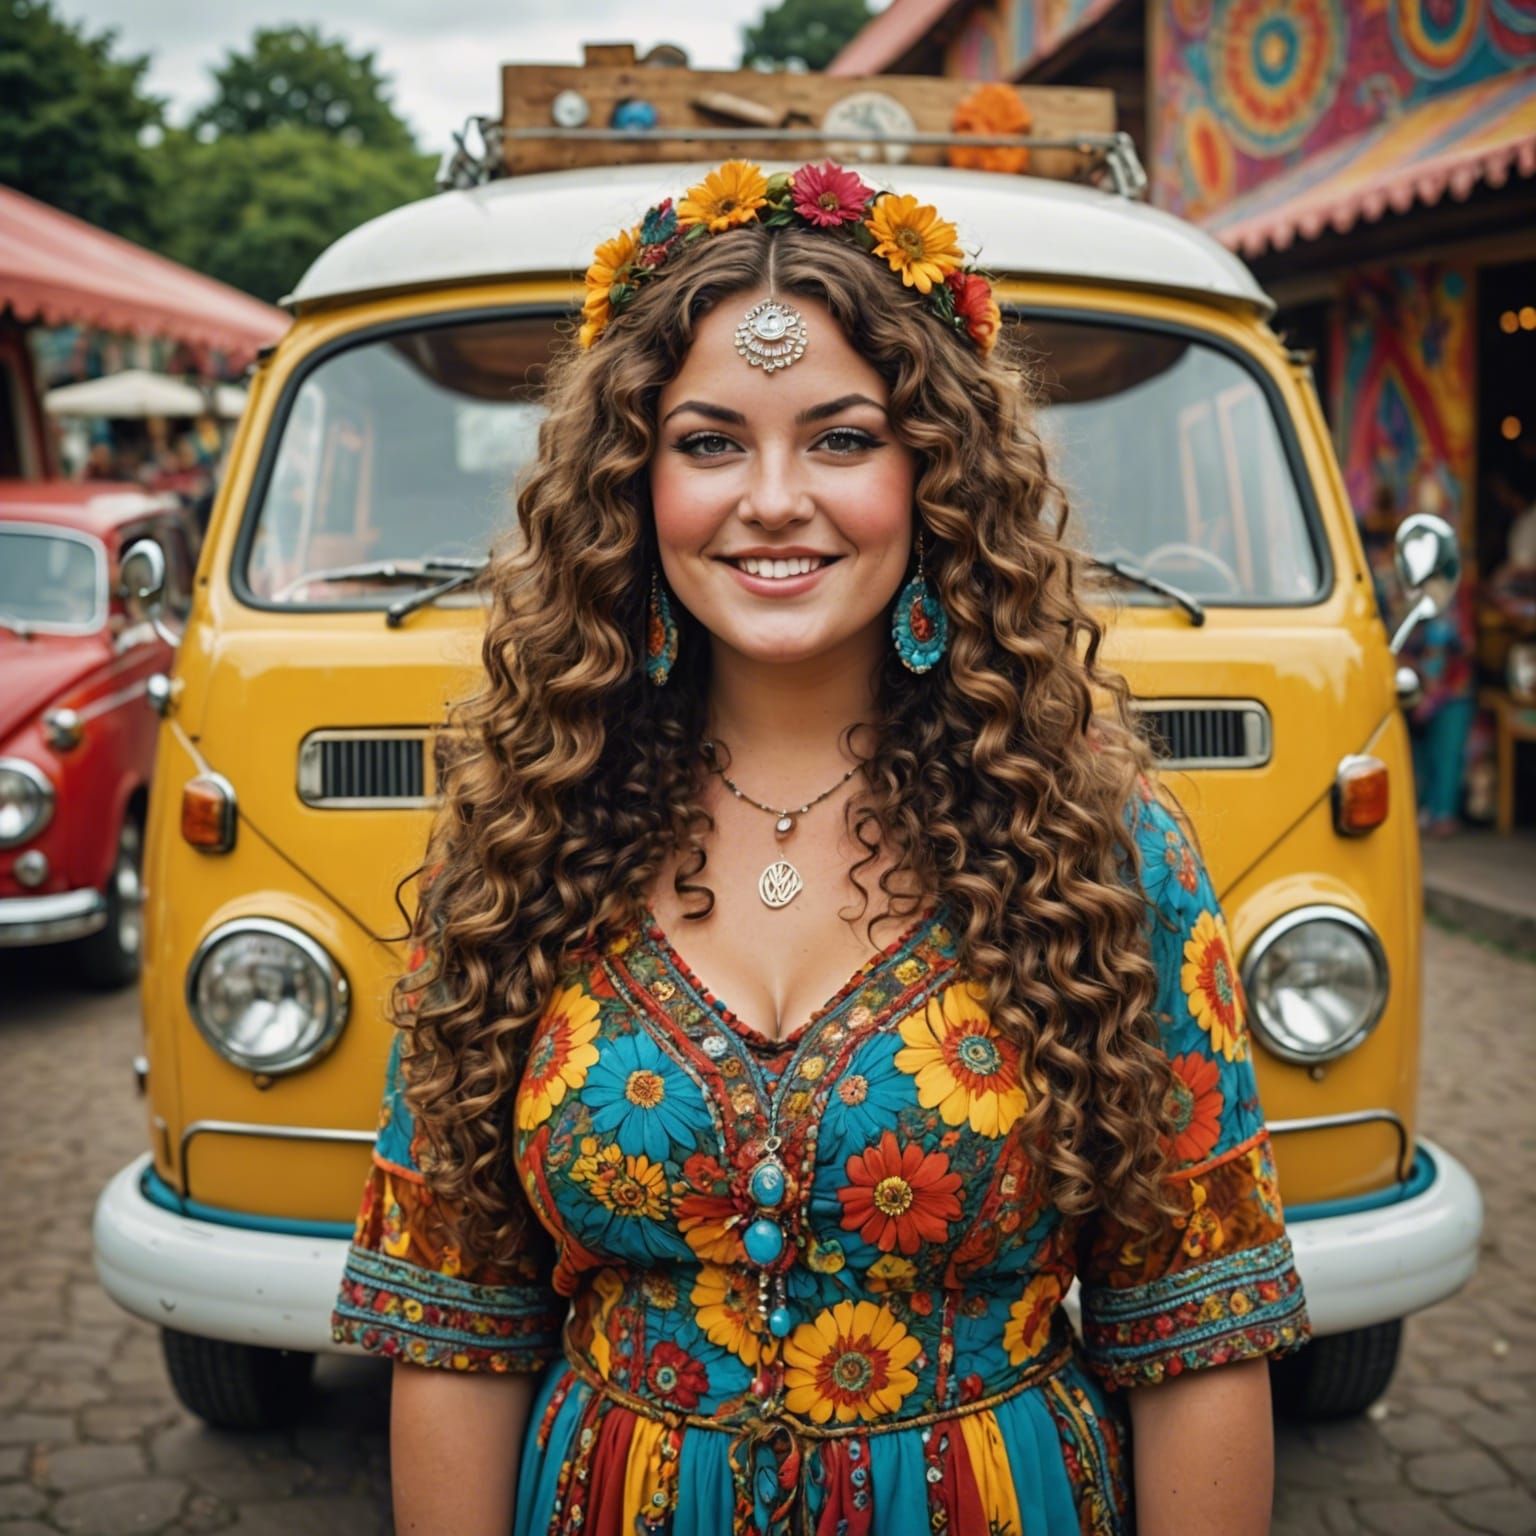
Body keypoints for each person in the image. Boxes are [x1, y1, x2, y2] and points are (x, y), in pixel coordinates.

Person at [331, 160, 1310, 1536]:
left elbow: (1196, 1328)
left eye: (843, 440)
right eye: (710, 443)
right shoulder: (517, 846)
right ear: (630, 481)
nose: (775, 498)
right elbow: (454, 1318)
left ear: (936, 474)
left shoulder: (1103, 851)